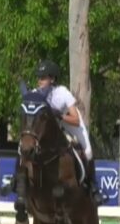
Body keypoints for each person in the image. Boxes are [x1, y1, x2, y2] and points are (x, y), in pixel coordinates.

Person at [28, 60, 104, 205]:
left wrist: (60, 115)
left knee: (87, 151)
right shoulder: (35, 93)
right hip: (49, 127)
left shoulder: (62, 92)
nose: (39, 80)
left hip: (68, 122)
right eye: (39, 77)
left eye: (43, 77)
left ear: (52, 79)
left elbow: (75, 118)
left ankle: (93, 187)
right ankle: (19, 180)